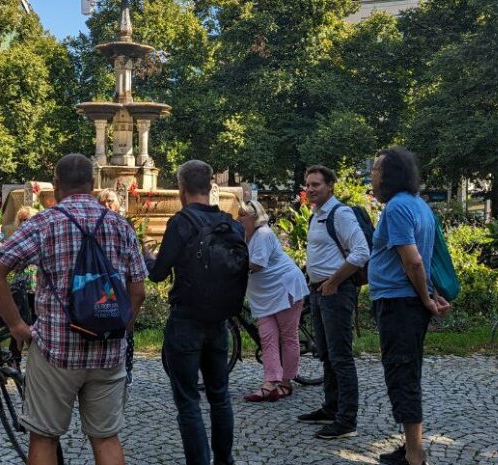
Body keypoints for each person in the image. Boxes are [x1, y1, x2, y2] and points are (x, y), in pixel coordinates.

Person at [0, 153, 147, 465]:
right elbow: (138, 291)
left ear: (56, 186)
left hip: (56, 351)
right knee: (106, 437)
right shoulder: (119, 225)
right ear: (93, 184)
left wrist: (17, 326)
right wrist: (121, 329)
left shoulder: (45, 223)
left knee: (44, 438)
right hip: (108, 351)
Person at [143, 160, 243, 465]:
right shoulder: (231, 222)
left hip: (186, 319)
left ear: (181, 188)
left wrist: (147, 257)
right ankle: (224, 461)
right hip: (219, 321)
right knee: (219, 396)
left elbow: (159, 274)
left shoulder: (181, 222)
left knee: (188, 400)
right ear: (211, 185)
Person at [369, 148, 450, 465]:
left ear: (390, 175)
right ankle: (410, 446)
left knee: (402, 375)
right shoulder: (419, 206)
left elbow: (414, 261)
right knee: (407, 372)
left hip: (398, 305)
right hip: (405, 302)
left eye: (376, 169)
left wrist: (427, 299)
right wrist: (429, 295)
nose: (372, 174)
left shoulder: (397, 207)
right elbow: (424, 259)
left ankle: (415, 456)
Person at [299, 165, 370, 439]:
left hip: (336, 293)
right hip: (319, 292)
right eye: (308, 184)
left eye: (316, 184)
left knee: (341, 357)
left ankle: (347, 420)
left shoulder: (340, 214)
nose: (311, 189)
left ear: (330, 186)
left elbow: (361, 252)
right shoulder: (317, 215)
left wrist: (334, 281)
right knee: (327, 354)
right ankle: (331, 408)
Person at [237, 200, 309, 402]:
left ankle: (286, 382)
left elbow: (257, 264)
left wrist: (232, 265)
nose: (239, 218)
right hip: (264, 295)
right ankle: (269, 383)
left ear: (254, 217)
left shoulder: (263, 234)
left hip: (284, 288)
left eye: (243, 215)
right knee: (267, 337)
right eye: (239, 214)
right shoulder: (245, 235)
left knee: (287, 336)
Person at [97, 188, 136, 387]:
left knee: (125, 334)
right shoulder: (93, 225)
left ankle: (126, 369)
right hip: (100, 285)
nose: (106, 205)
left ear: (118, 204)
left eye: (110, 201)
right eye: (103, 201)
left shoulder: (125, 226)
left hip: (119, 288)